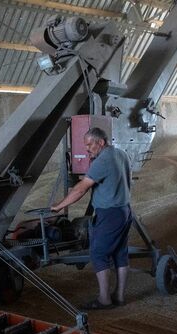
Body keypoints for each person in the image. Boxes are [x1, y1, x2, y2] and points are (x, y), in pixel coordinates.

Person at [51, 127, 132, 310]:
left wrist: (59, 206)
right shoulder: (121, 154)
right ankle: (119, 296)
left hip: (109, 214)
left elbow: (81, 189)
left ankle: (104, 299)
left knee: (98, 253)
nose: (87, 149)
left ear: (100, 142)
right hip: (125, 210)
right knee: (120, 252)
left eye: (89, 144)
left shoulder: (102, 160)